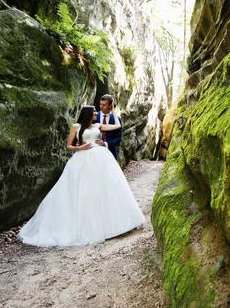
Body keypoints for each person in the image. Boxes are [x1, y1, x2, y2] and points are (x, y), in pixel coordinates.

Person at [17, 105, 145, 247]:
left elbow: (117, 126)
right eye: (95, 111)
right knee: (84, 191)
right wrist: (80, 148)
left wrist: (113, 110)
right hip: (82, 159)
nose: (97, 112)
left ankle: (113, 225)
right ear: (88, 113)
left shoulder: (98, 125)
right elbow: (69, 146)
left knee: (104, 189)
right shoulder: (76, 126)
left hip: (101, 158)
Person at [93, 94, 122, 160]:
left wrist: (105, 144)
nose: (101, 107)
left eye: (104, 105)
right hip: (94, 151)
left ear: (110, 106)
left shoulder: (117, 119)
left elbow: (118, 138)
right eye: (100, 104)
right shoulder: (93, 117)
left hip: (110, 152)